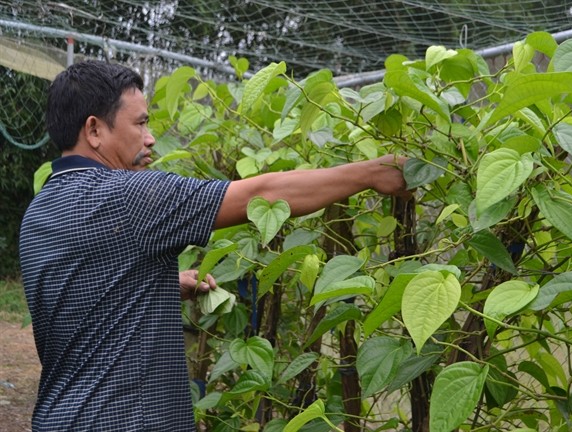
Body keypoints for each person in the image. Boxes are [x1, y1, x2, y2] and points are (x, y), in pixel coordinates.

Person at [19, 60, 408, 431]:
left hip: (59, 417)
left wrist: (165, 286)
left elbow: (82, 295)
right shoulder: (129, 196)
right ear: (94, 130)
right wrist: (370, 173)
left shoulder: (38, 213)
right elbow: (264, 194)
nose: (151, 137)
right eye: (140, 123)